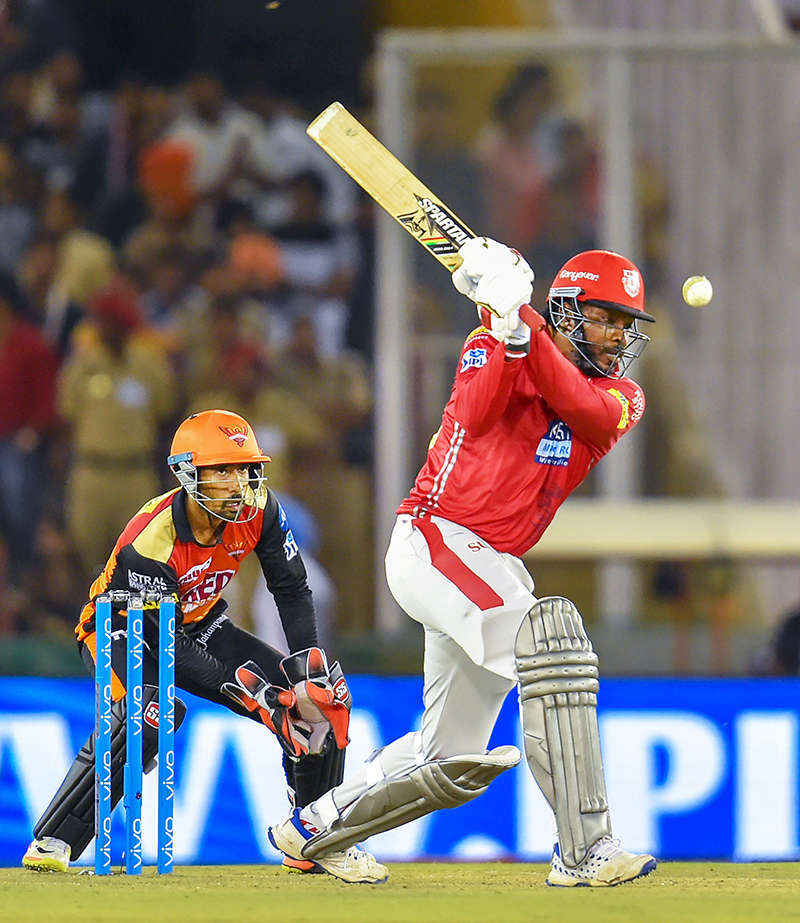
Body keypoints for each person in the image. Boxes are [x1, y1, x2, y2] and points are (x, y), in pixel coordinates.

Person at [268, 238, 658, 887]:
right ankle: (585, 848)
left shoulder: (620, 396)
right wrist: (506, 328)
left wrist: (520, 321)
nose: (619, 336)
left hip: (486, 563)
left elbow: (581, 409)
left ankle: (311, 828)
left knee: (449, 760)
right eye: (607, 318)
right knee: (549, 640)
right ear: (569, 313)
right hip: (435, 540)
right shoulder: (487, 347)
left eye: (626, 324)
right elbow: (476, 410)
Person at [22, 408, 386, 883]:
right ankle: (54, 840)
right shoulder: (152, 540)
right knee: (151, 714)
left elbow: (292, 588)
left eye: (245, 469)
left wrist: (306, 670)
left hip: (200, 624)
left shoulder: (260, 510)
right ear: (186, 474)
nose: (237, 483)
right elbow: (166, 645)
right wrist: (251, 695)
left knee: (317, 704)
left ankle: (316, 837)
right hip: (123, 630)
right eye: (222, 471)